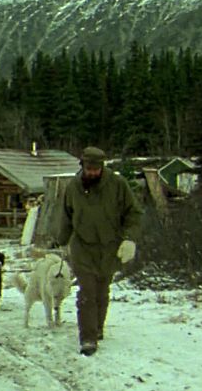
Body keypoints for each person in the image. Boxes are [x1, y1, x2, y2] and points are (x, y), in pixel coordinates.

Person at [56, 146, 142, 356]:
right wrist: (60, 241)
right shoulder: (73, 187)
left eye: (96, 169)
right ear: (83, 166)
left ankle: (97, 329)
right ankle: (88, 337)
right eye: (89, 168)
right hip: (82, 247)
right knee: (87, 292)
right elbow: (67, 216)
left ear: (103, 167)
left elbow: (134, 213)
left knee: (102, 292)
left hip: (110, 248)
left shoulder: (117, 185)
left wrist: (130, 239)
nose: (92, 172)